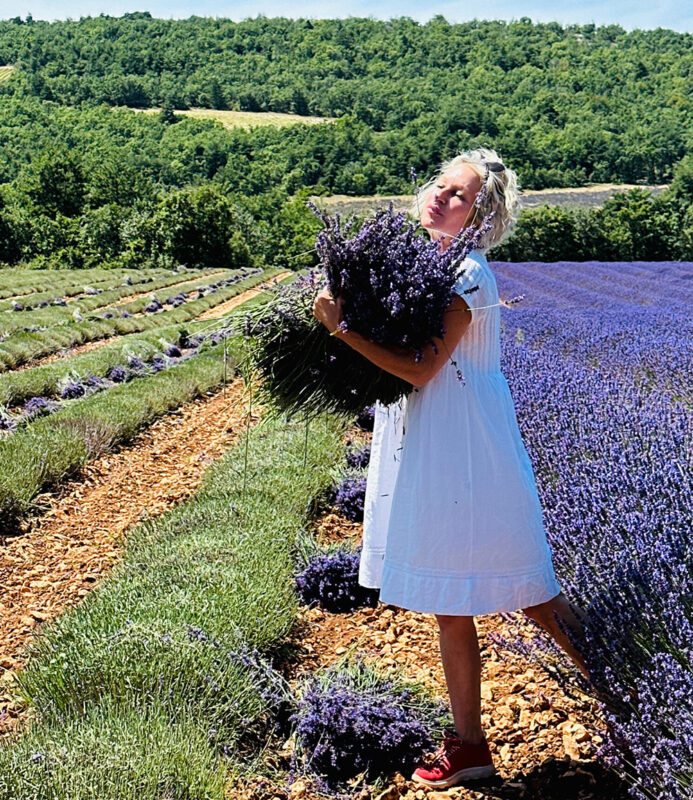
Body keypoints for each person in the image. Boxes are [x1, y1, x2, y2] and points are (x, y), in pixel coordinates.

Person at [312, 147, 593, 790]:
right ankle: (470, 747)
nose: (442, 198)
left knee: (533, 593)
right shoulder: (423, 264)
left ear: (481, 218)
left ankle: (631, 705)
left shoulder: (466, 274)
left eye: (459, 195)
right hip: (439, 441)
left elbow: (419, 368)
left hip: (470, 450)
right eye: (441, 186)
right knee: (449, 598)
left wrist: (342, 327)